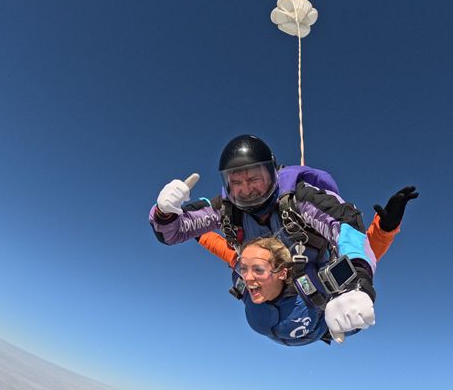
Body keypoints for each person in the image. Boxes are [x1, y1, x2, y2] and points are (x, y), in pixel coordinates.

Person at [151, 135, 407, 334]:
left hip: (314, 303)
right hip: (271, 306)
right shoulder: (226, 208)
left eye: (254, 178)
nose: (246, 190)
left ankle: (333, 310)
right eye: (236, 182)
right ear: (227, 184)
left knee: (350, 317)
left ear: (272, 173)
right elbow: (174, 233)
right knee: (242, 264)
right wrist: (164, 213)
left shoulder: (299, 199)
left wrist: (357, 286)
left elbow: (345, 228)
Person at [197, 185, 418, 345]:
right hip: (289, 330)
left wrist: (385, 228)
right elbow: (218, 246)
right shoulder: (247, 270)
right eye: (245, 269)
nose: (247, 277)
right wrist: (187, 227)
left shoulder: (314, 284)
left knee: (352, 317)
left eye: (258, 270)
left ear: (282, 272)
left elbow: (359, 257)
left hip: (318, 327)